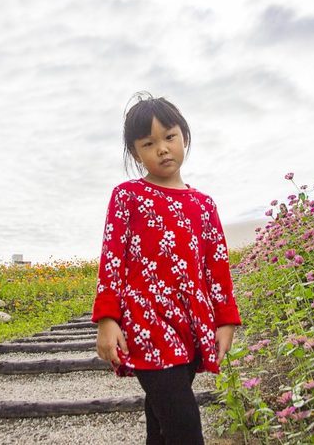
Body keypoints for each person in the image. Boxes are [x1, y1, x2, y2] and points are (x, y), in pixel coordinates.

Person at [92, 93, 242, 445]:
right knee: (184, 423)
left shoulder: (204, 205)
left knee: (161, 423)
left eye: (170, 137)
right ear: (135, 153)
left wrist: (226, 320)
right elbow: (112, 259)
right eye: (149, 143)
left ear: (184, 137)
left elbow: (217, 267)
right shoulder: (127, 196)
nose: (162, 149)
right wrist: (107, 319)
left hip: (191, 324)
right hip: (146, 324)